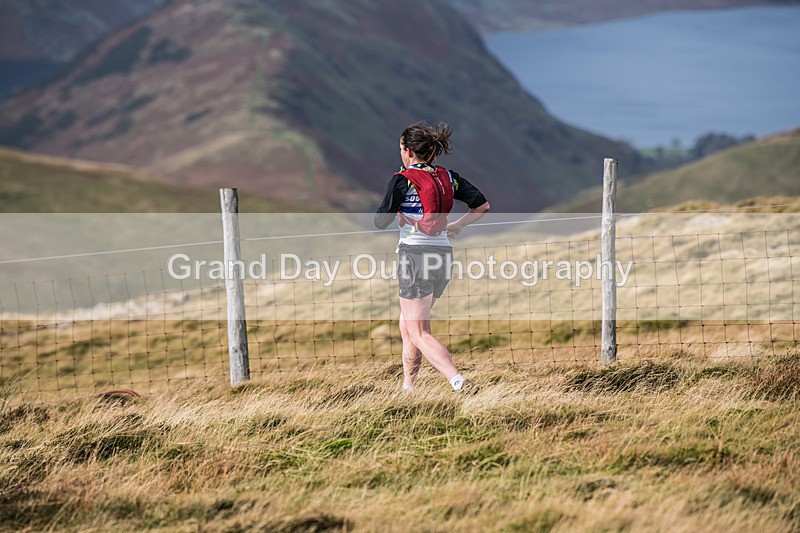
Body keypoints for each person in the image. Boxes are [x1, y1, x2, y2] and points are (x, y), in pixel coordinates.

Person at [374, 122, 490, 394]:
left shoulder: (402, 179)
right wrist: (458, 225)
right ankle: (409, 389)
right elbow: (483, 206)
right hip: (443, 256)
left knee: (419, 332)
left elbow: (380, 221)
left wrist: (398, 203)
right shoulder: (449, 177)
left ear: (408, 151)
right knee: (408, 325)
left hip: (415, 256)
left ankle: (458, 382)